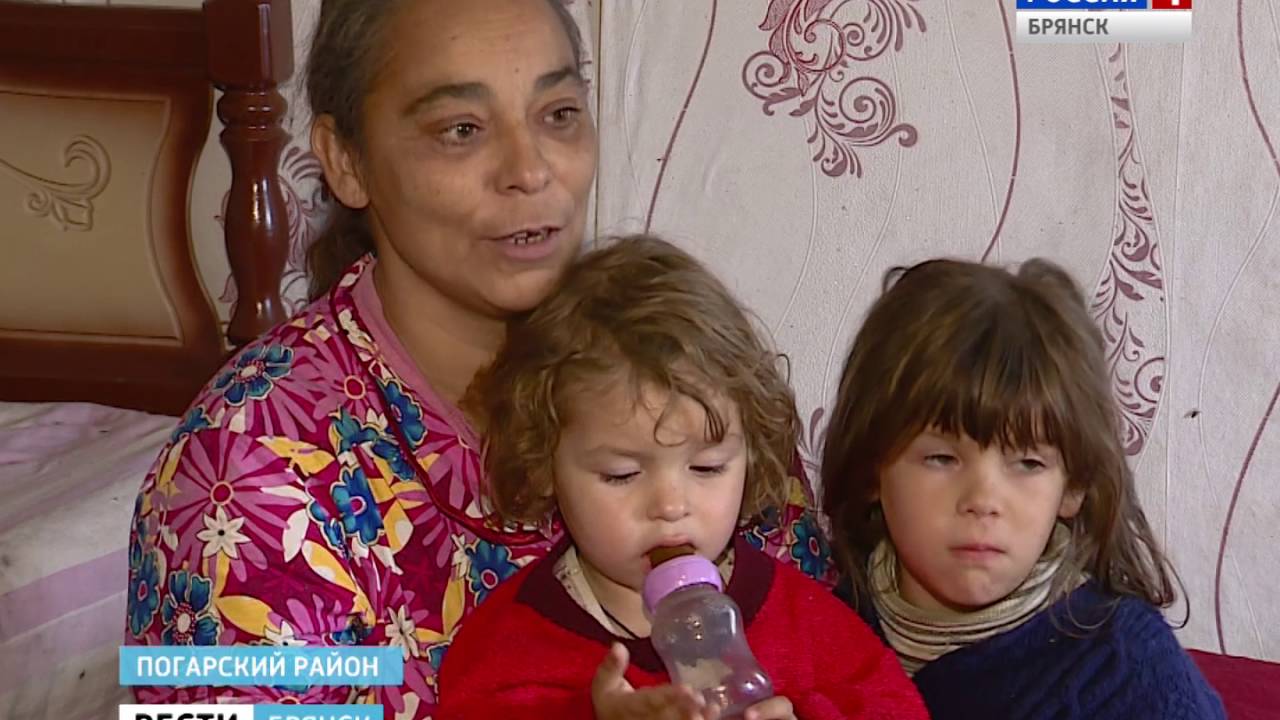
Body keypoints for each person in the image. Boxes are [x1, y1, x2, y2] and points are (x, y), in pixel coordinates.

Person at [124, 1, 830, 717]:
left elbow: (840, 667)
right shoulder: (246, 475)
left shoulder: (691, 380)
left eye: (558, 114)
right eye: (461, 130)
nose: (530, 170)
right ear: (346, 161)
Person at [436, 236, 927, 720]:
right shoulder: (513, 641)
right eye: (622, 474)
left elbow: (897, 707)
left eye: (707, 468)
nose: (671, 505)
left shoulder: (803, 619)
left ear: (750, 456)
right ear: (544, 466)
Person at [820, 257, 1226, 720]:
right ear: (871, 469)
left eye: (1028, 463)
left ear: (1073, 486)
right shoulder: (817, 635)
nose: (983, 501)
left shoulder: (1127, 669)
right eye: (941, 459)